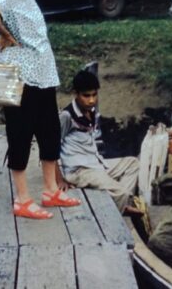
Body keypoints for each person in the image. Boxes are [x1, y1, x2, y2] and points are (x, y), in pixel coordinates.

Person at [0, 0, 80, 220]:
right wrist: (4, 33)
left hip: (42, 74)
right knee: (21, 132)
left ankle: (50, 190)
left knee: (49, 129)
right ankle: (23, 199)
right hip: (21, 77)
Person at [56, 70, 141, 214]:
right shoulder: (67, 116)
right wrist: (59, 180)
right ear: (75, 94)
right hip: (79, 171)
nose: (91, 100)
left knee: (133, 163)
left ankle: (121, 202)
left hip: (97, 163)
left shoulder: (92, 111)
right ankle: (118, 213)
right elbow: (49, 147)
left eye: (94, 95)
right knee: (121, 192)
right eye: (86, 95)